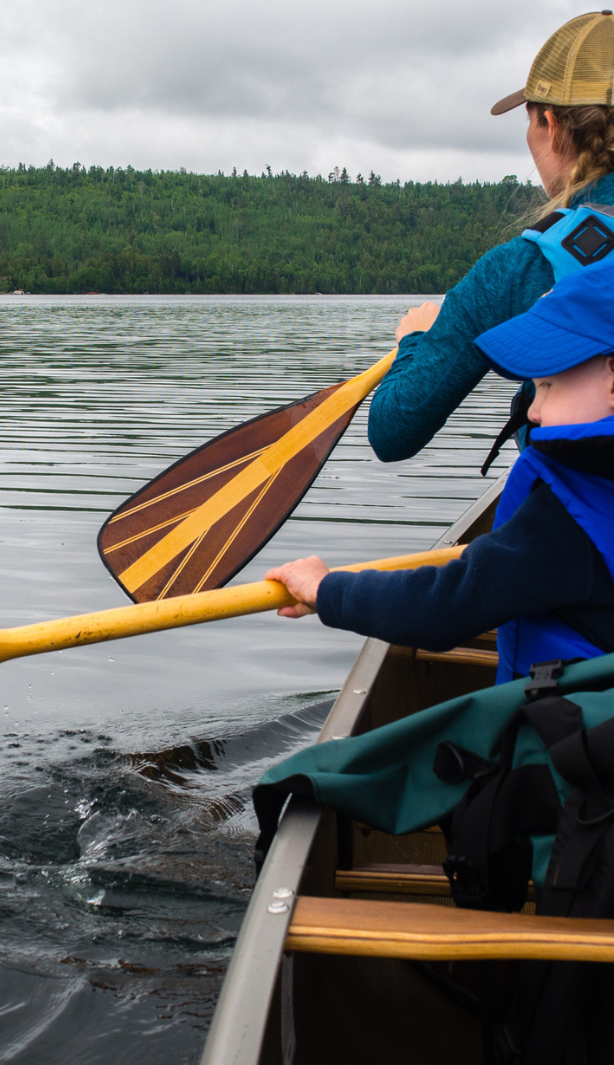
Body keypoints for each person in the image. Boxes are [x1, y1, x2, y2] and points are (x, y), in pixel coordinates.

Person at [266, 260, 614, 684]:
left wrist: (326, 590)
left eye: (547, 387)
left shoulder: (562, 527)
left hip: (572, 736)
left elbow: (444, 607)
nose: (533, 412)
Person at [369, 10, 614, 464]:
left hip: (574, 529)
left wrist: (416, 340)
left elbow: (392, 428)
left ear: (551, 126)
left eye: (530, 117)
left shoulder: (519, 269)